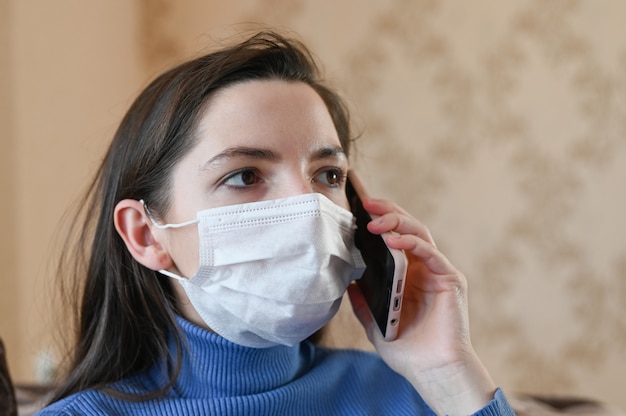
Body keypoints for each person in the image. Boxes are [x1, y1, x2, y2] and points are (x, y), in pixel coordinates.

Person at [37, 31, 514, 415]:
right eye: (245, 175)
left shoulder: (416, 396)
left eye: (328, 175)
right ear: (146, 235)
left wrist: (448, 375)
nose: (306, 206)